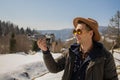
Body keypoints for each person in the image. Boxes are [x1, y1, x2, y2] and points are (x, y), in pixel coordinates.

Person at [37, 17, 118, 80]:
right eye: (75, 31)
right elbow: (54, 68)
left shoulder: (105, 57)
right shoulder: (71, 52)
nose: (75, 34)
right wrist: (45, 51)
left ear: (90, 33)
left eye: (79, 31)